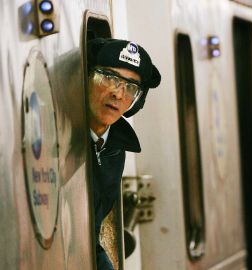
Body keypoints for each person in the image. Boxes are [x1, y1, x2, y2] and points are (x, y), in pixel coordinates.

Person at [86, 38, 161, 270]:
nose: (118, 93)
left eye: (130, 87)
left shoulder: (115, 148)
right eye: (108, 77)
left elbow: (92, 232)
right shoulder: (63, 138)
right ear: (86, 79)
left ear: (136, 102)